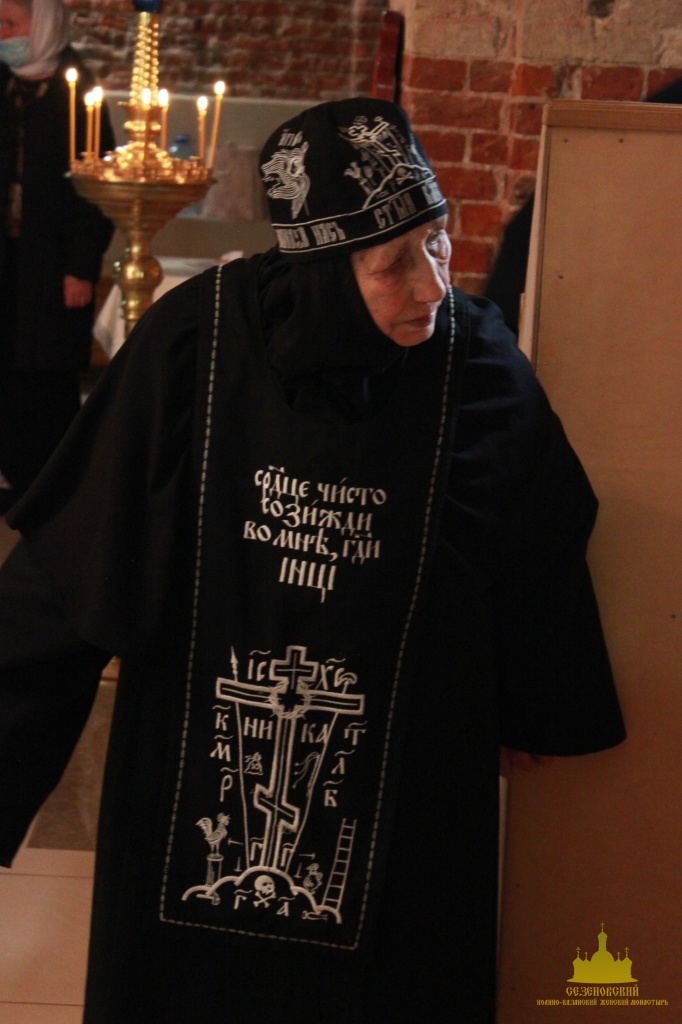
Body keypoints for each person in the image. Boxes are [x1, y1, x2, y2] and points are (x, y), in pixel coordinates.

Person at [0, 98, 625, 1023]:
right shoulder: (195, 345)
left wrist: (539, 698)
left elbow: (539, 534)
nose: (432, 286)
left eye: (438, 242)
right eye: (392, 264)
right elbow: (74, 559)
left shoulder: (474, 362)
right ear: (325, 268)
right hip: (200, 762)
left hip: (404, 774)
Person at [0, 0, 114, 509]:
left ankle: (51, 492)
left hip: (53, 264)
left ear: (43, 26)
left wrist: (81, 267)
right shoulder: (4, 86)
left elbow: (96, 191)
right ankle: (15, 480)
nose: (1, 34)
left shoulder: (78, 90)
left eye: (10, 24)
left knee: (44, 379)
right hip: (6, 258)